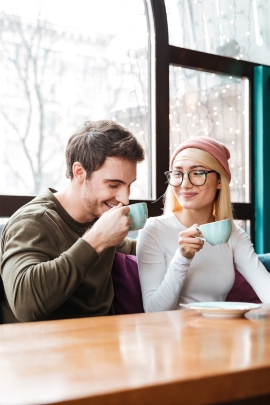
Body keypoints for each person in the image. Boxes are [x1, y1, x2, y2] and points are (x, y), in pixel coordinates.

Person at [0, 120, 144, 323]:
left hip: (104, 341)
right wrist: (96, 240)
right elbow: (25, 305)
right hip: (49, 349)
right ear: (80, 172)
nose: (124, 199)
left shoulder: (97, 216)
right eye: (113, 185)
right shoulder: (33, 222)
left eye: (129, 186)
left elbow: (129, 248)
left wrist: (174, 243)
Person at [137, 136, 270, 312]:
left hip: (220, 335)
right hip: (171, 337)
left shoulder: (233, 234)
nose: (184, 184)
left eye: (198, 173)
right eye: (178, 174)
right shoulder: (155, 229)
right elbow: (154, 311)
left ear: (220, 181)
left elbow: (266, 289)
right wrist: (182, 257)